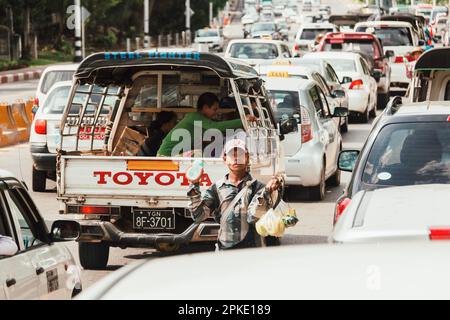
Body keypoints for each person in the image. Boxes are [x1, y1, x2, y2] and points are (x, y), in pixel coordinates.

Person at [187, 137, 282, 250]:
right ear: (225, 159)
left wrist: (267, 192)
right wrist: (194, 186)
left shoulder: (259, 187)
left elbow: (253, 217)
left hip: (252, 251)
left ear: (247, 158)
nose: (236, 158)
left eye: (241, 154)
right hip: (225, 250)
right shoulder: (216, 188)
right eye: (232, 155)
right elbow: (199, 216)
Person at [157, 93, 255, 157]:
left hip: (174, 155)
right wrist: (243, 120)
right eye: (214, 109)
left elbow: (215, 132)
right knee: (199, 154)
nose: (216, 112)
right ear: (205, 107)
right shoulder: (194, 117)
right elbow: (216, 127)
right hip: (166, 156)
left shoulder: (201, 120)